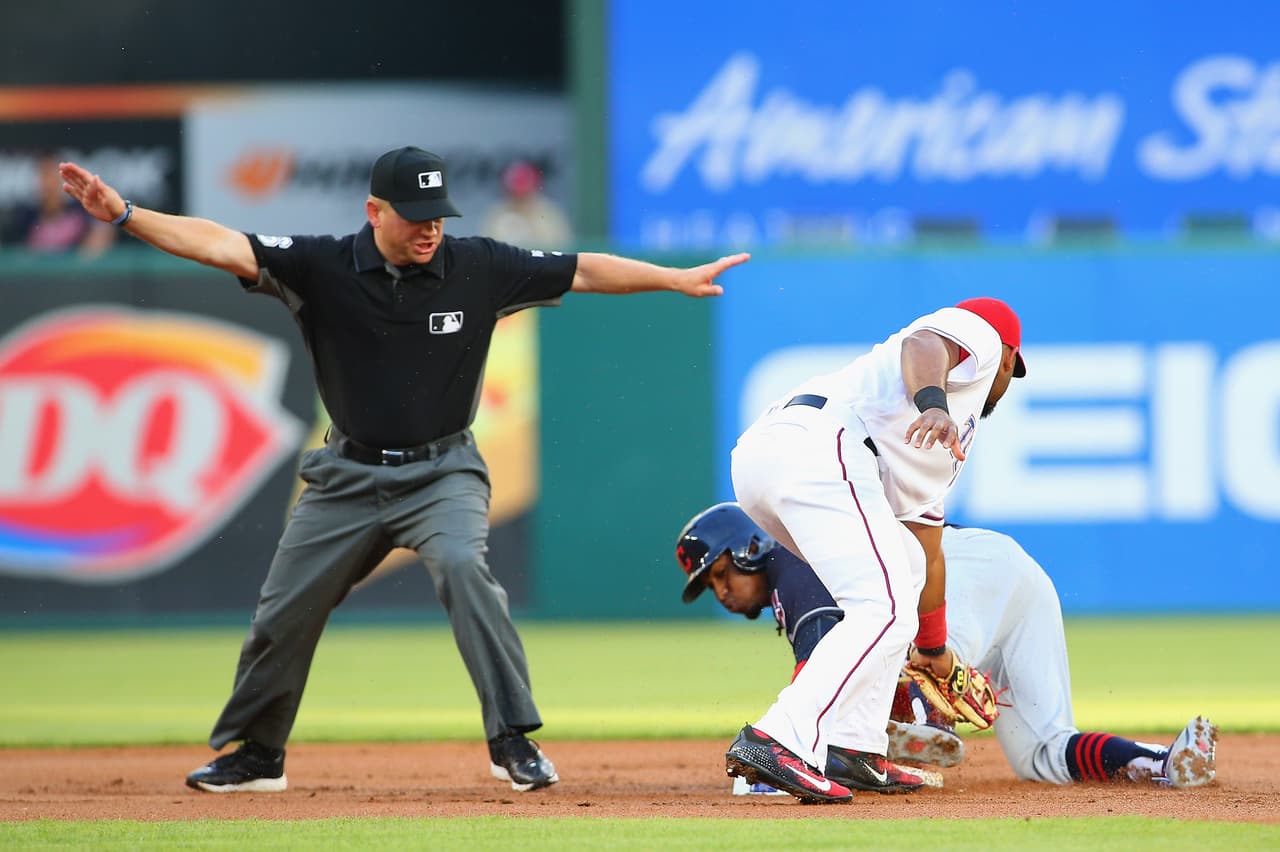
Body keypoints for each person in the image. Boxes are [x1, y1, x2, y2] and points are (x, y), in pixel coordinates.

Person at [58, 146, 748, 795]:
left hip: (441, 471)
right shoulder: (320, 265)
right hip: (346, 478)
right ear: (374, 212)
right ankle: (258, 755)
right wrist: (125, 216)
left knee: (462, 567)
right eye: (416, 218)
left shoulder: (478, 265)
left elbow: (583, 269)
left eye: (439, 217)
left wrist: (672, 278)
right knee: (282, 611)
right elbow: (220, 244)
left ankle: (512, 739)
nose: (430, 231)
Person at [676, 503, 1219, 792]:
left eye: (720, 573)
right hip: (1011, 577)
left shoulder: (790, 567)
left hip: (959, 570)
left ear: (749, 549)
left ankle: (925, 724)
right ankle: (1164, 761)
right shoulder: (798, 565)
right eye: (711, 587)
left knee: (911, 654)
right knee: (1044, 753)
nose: (721, 592)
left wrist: (785, 754)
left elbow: (817, 671)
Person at [720, 297, 1026, 804]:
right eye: (1012, 372)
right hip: (821, 443)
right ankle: (777, 738)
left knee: (898, 574)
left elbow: (924, 554)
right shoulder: (984, 340)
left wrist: (933, 651)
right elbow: (923, 343)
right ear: (1010, 357)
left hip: (775, 461)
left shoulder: (940, 452)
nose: (1006, 383)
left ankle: (852, 748)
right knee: (880, 607)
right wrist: (933, 402)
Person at [3, 152, 114, 257]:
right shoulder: (26, 216)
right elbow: (17, 255)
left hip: (76, 275)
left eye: (52, 175)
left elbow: (103, 231)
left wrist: (80, 261)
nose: (48, 183)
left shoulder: (80, 209)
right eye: (43, 175)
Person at [478, 159, 572, 249]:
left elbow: (560, 248)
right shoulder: (498, 214)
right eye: (515, 193)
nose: (520, 198)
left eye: (524, 192)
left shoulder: (547, 212)